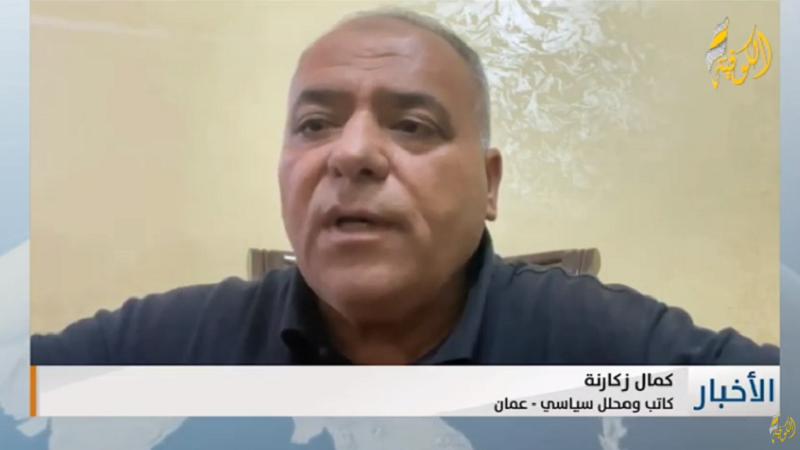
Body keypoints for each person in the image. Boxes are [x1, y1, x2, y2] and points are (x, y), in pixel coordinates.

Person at [31, 8, 779, 366]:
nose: (352, 153)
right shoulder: (171, 346)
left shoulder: (600, 344)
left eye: (414, 126)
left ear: (489, 184)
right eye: (315, 124)